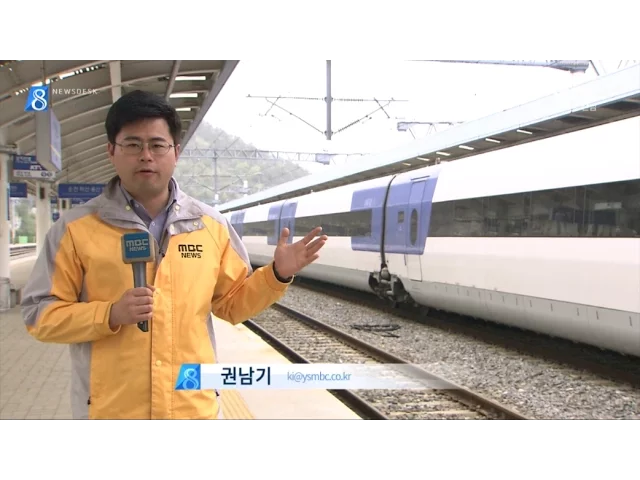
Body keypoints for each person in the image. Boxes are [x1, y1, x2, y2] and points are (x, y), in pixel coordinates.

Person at [20, 89, 327, 420]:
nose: (146, 156)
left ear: (175, 152)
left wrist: (277, 274)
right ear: (111, 151)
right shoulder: (74, 229)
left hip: (192, 409)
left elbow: (233, 305)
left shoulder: (210, 225)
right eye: (132, 145)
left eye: (157, 145)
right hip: (111, 411)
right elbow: (39, 315)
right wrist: (109, 314)